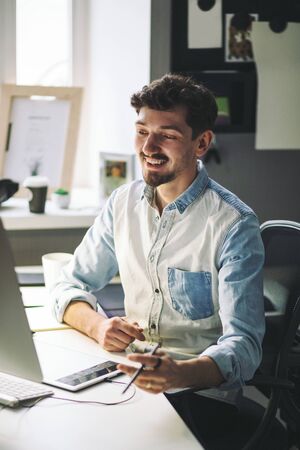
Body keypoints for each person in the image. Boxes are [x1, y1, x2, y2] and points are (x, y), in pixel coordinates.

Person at [52, 74, 265, 449]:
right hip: (127, 378)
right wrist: (100, 327)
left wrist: (177, 373)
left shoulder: (234, 224)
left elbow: (244, 346)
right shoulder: (122, 203)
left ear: (201, 143)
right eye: (141, 131)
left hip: (198, 396)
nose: (148, 146)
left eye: (166, 134)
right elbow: (67, 284)